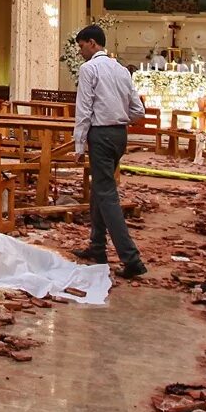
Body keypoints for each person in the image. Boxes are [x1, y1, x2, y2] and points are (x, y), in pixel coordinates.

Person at [70, 24, 145, 279]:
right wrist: (120, 118)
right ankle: (97, 246)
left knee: (107, 193)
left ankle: (131, 258)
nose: (80, 52)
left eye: (81, 46)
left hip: (100, 135)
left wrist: (79, 144)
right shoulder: (121, 69)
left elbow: (84, 109)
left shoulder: (89, 68)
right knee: (100, 189)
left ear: (92, 43)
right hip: (119, 134)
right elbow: (138, 110)